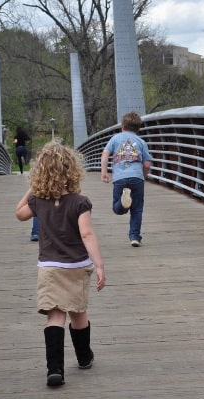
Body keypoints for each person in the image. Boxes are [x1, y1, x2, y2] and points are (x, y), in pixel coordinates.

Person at [15, 142, 106, 387]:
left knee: (55, 316)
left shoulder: (38, 202)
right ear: (72, 171)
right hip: (77, 266)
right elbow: (87, 235)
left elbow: (19, 212)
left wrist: (33, 189)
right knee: (78, 312)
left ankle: (55, 369)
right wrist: (99, 265)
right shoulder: (80, 202)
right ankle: (84, 356)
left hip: (49, 268)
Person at [100, 111, 152, 247]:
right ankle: (135, 237)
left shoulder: (115, 138)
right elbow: (147, 164)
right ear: (138, 128)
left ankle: (123, 203)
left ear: (123, 126)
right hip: (136, 178)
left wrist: (104, 172)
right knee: (137, 209)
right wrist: (144, 176)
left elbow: (105, 154)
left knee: (117, 209)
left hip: (120, 178)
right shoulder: (141, 142)